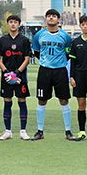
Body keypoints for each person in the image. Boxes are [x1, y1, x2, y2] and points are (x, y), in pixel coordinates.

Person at [31, 8, 75, 141]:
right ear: (46, 19)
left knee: (64, 99)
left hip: (60, 70)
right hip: (44, 70)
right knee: (42, 100)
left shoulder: (65, 36)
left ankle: (68, 131)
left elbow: (68, 53)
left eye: (54, 16)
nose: (51, 18)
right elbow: (36, 52)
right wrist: (46, 61)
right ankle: (40, 131)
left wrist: (59, 61)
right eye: (49, 16)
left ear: (58, 19)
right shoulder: (39, 35)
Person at [0, 15, 31, 140]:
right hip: (7, 77)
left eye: (15, 22)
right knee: (7, 101)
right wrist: (6, 72)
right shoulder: (2, 40)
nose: (13, 24)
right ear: (8, 24)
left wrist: (17, 72)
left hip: (20, 76)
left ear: (19, 24)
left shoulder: (24, 40)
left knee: (22, 101)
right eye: (11, 22)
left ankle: (23, 131)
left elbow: (27, 59)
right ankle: (7, 131)